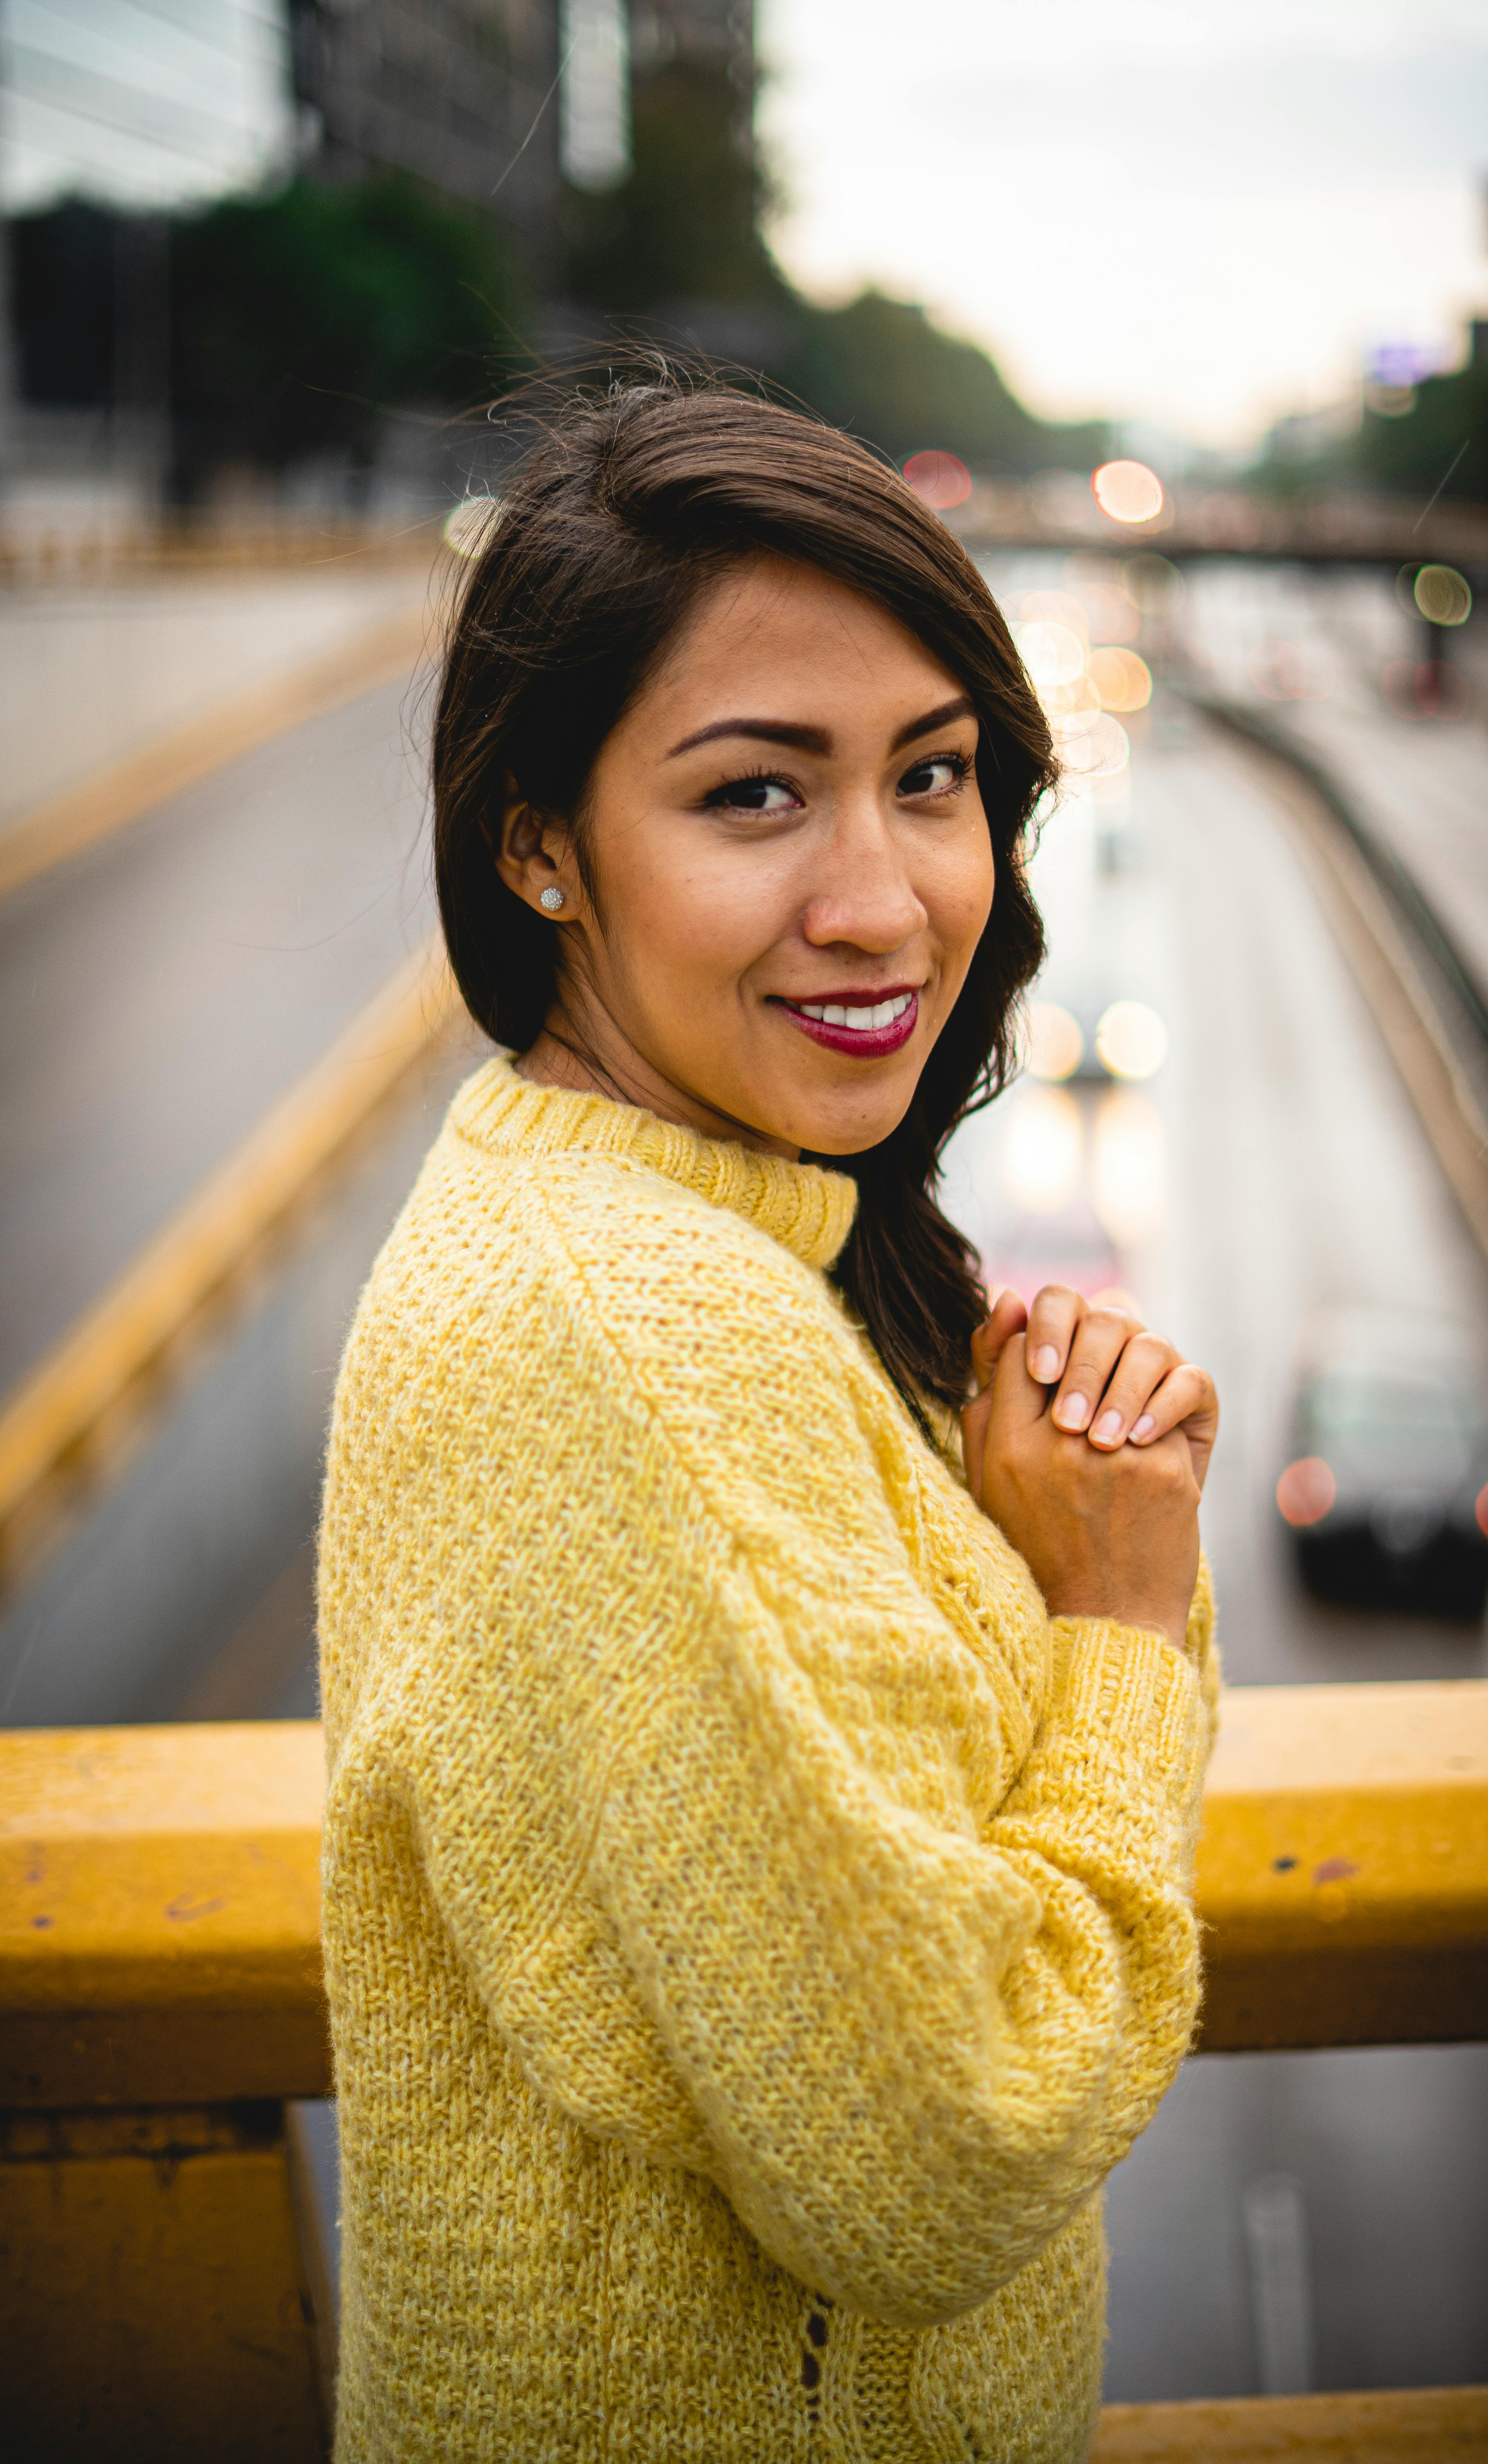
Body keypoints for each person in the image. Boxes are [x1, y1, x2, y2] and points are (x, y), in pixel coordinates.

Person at [318, 375, 1220, 2464]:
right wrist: (1114, 1617)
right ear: (538, 841)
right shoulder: (630, 1337)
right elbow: (941, 2149)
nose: (886, 898)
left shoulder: (741, 1241)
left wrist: (1075, 1521)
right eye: (753, 797)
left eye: (933, 777)